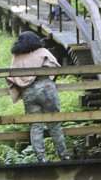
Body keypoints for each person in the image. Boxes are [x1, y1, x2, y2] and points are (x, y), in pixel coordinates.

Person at [5, 31, 70, 162]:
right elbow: (55, 67)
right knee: (54, 123)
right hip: (46, 88)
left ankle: (41, 158)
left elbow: (11, 75)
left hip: (28, 92)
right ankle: (64, 155)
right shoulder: (42, 52)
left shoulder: (16, 56)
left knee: (36, 125)